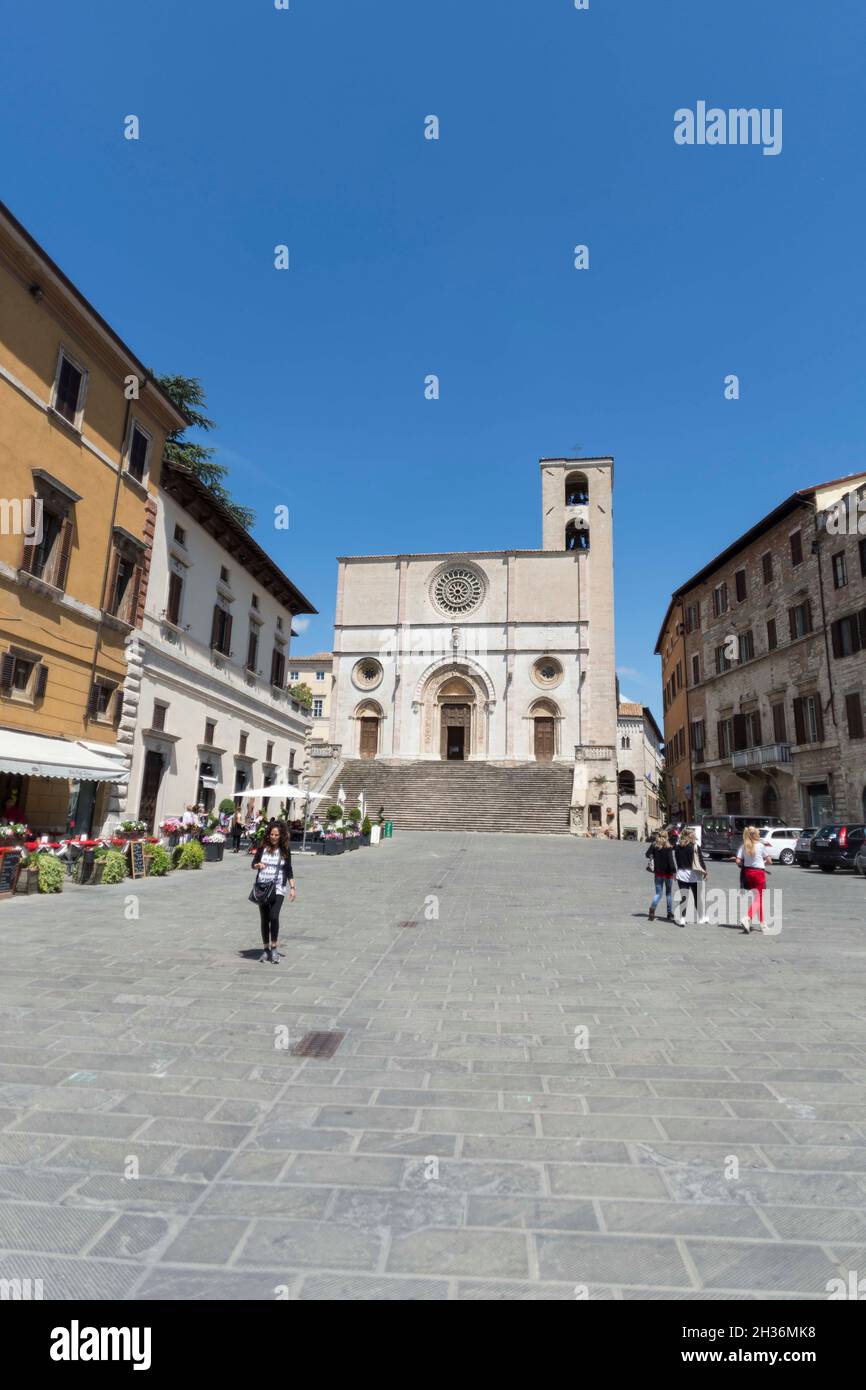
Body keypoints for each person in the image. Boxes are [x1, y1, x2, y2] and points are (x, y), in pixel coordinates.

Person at [250, 820, 296, 963]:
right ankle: (265, 949)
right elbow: (253, 864)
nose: (274, 837)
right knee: (264, 918)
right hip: (262, 887)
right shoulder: (262, 847)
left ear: (281, 835)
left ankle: (274, 947)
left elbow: (288, 869)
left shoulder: (285, 850)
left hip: (278, 888)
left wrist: (292, 888)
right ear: (268, 835)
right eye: (272, 834)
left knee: (274, 916)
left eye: (277, 835)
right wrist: (257, 865)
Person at [736, 825, 772, 934]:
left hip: (748, 873)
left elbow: (738, 861)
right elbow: (769, 861)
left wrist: (745, 863)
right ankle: (747, 917)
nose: (759, 834)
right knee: (759, 898)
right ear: (755, 835)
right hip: (759, 873)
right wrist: (763, 864)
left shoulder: (744, 846)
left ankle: (762, 923)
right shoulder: (760, 846)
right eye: (758, 833)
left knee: (757, 898)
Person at [673, 827, 708, 926]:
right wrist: (705, 872)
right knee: (697, 896)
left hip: (681, 873)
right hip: (693, 874)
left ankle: (682, 918)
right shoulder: (695, 846)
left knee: (684, 897)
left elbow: (677, 860)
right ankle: (701, 917)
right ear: (691, 835)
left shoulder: (677, 847)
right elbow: (700, 861)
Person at [645, 829, 677, 922]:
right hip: (667, 874)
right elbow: (671, 861)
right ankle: (669, 913)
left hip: (658, 873)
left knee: (658, 894)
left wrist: (652, 855)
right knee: (669, 893)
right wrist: (674, 872)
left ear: (658, 836)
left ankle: (652, 910)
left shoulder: (654, 845)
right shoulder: (668, 847)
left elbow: (647, 854)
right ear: (667, 837)